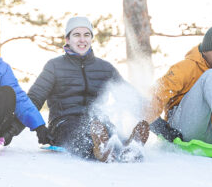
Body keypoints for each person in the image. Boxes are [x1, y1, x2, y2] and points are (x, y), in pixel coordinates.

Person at [27, 17, 149, 162]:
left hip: (97, 121)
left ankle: (129, 148)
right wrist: (38, 127)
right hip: (64, 122)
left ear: (91, 38)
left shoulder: (105, 68)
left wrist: (156, 122)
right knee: (80, 134)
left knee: (111, 132)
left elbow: (128, 97)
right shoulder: (54, 66)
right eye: (76, 35)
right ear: (67, 39)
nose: (82, 40)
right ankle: (100, 150)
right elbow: (34, 98)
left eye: (86, 35)